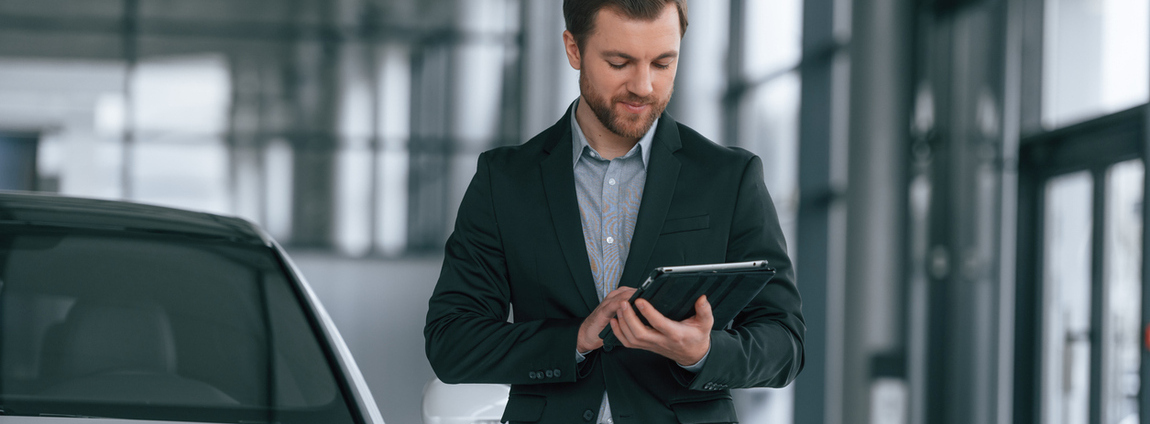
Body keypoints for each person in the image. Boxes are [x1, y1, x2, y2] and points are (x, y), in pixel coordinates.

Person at [424, 0, 805, 422]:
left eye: (662, 63)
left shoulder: (729, 178)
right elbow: (451, 342)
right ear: (574, 49)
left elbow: (785, 343)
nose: (643, 86)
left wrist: (704, 352)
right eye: (620, 62)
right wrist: (576, 339)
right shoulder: (505, 180)